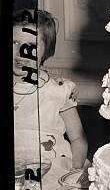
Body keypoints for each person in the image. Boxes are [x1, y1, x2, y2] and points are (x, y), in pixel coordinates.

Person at [13, 9, 88, 169]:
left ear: (46, 49)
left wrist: (75, 168)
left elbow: (77, 138)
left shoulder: (58, 90)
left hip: (52, 167)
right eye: (14, 43)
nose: (21, 52)